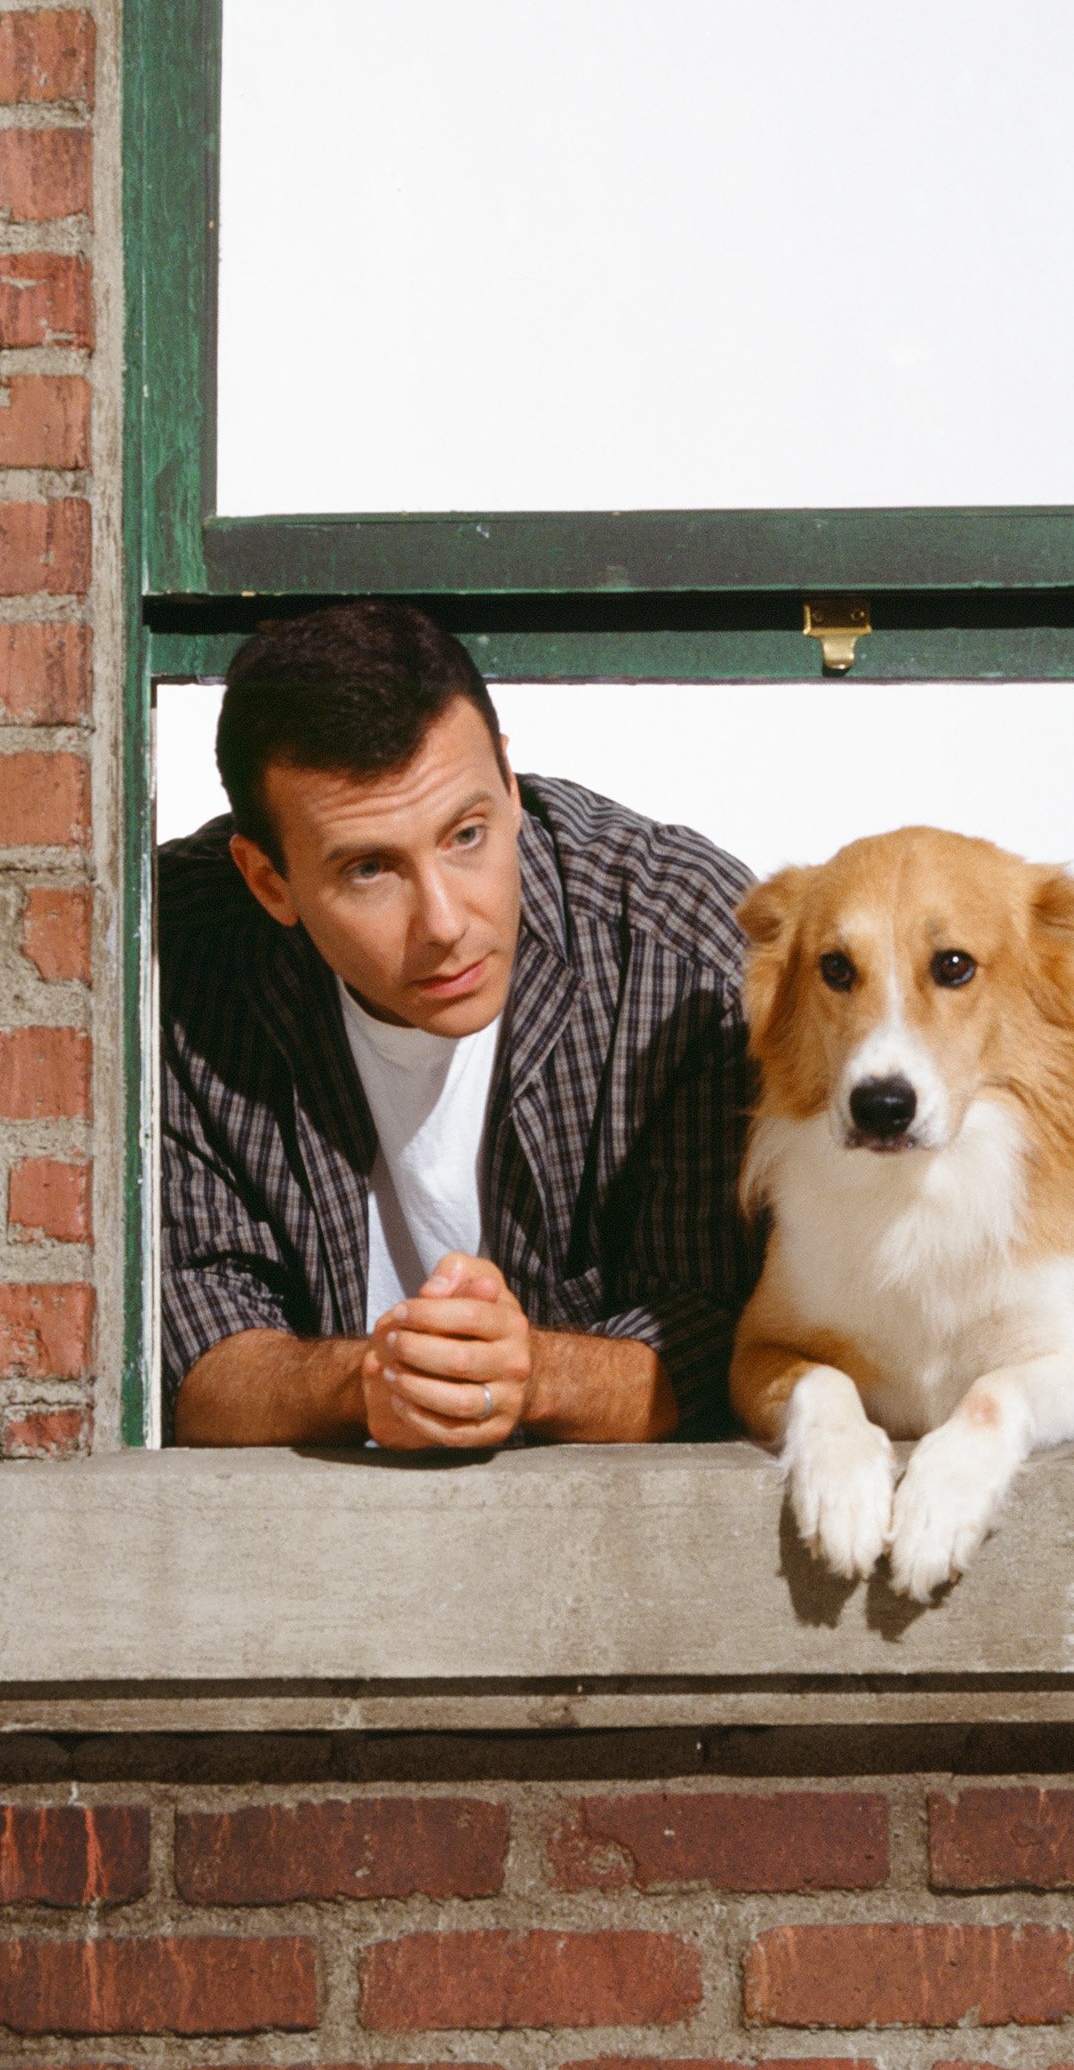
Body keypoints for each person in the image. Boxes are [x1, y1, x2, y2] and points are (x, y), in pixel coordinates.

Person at [158, 600, 756, 1450]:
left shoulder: (676, 949)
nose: (443, 922)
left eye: (468, 834)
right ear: (269, 883)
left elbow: (726, 1344)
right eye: (370, 869)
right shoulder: (170, 962)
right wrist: (374, 1376)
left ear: (511, 785)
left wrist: (535, 1375)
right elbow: (189, 1368)